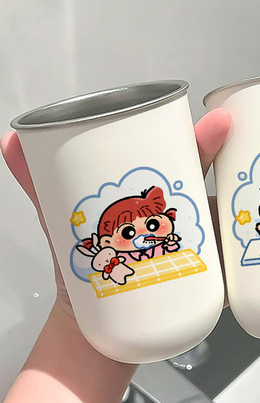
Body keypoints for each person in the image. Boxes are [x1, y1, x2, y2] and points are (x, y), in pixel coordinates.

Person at [1, 107, 231, 403]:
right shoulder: (111, 258)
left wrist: (80, 327)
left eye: (151, 224)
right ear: (107, 240)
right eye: (128, 232)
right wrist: (84, 316)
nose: (143, 235)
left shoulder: (166, 242)